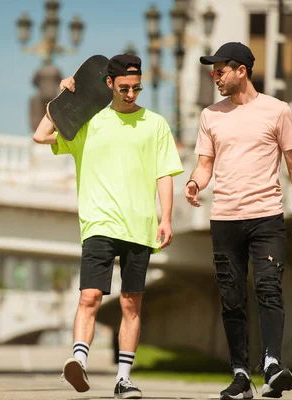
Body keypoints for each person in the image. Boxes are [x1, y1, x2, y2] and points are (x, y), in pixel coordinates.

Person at [33, 54, 183, 399]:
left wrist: (166, 217)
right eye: (124, 88)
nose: (131, 94)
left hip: (140, 227)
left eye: (136, 88)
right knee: (90, 296)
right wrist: (63, 100)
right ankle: (79, 361)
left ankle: (123, 379)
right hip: (99, 224)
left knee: (131, 305)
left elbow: (164, 173)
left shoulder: (156, 124)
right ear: (109, 85)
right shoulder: (89, 122)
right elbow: (41, 136)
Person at [184, 42, 292, 400]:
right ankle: (241, 375)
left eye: (220, 69)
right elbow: (205, 164)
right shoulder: (210, 115)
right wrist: (195, 182)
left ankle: (272, 365)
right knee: (231, 298)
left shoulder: (277, 111)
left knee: (269, 288)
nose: (215, 76)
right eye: (213, 71)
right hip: (225, 218)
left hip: (267, 217)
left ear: (242, 70)